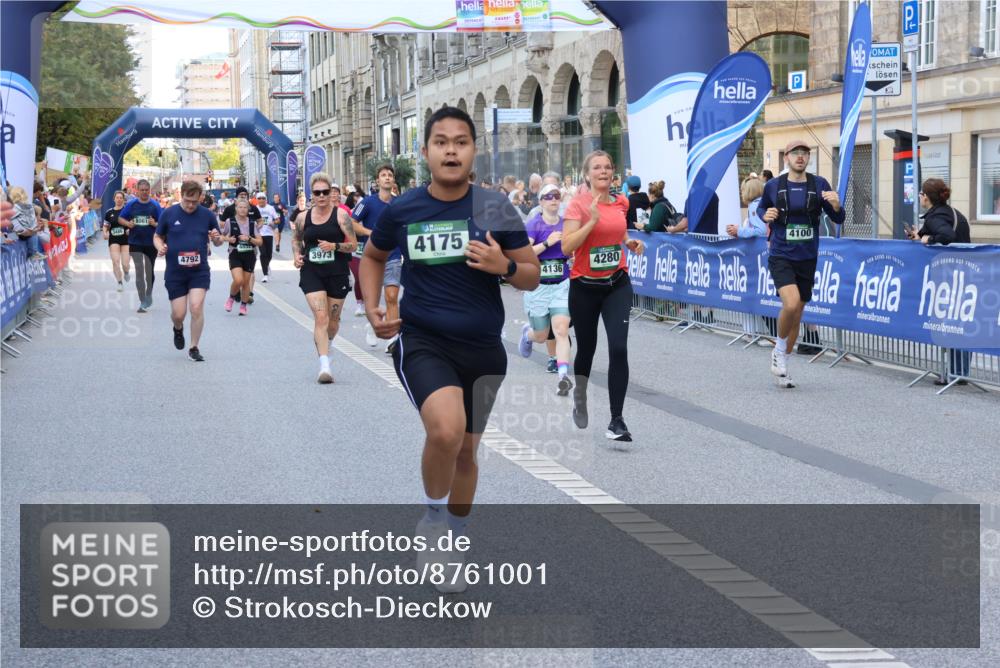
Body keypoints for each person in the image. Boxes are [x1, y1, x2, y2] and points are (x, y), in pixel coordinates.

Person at [360, 106, 539, 592]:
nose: (451, 150)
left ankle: (454, 538)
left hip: (482, 347)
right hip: (423, 340)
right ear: (426, 153)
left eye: (461, 141)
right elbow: (373, 256)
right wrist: (373, 305)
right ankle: (434, 521)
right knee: (446, 431)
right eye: (441, 142)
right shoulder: (404, 210)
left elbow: (531, 274)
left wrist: (503, 264)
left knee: (467, 453)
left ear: (473, 150)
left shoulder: (494, 208)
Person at [561, 150, 645, 442]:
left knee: (619, 348)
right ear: (587, 175)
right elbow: (565, 247)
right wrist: (590, 222)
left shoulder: (621, 202)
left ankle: (616, 420)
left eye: (608, 167)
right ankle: (580, 399)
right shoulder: (578, 205)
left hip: (617, 284)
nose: (604, 171)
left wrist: (628, 242)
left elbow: (618, 232)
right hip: (584, 286)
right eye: (597, 167)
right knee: (587, 350)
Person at [758, 139, 845, 388]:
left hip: (807, 256)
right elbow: (762, 209)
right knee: (791, 302)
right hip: (781, 253)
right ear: (786, 157)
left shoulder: (819, 185)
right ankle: (779, 349)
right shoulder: (774, 186)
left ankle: (782, 362)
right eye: (795, 153)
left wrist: (837, 206)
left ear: (809, 158)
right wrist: (765, 215)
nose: (800, 157)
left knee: (798, 315)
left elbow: (837, 217)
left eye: (805, 153)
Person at [293, 173, 357, 384]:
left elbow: (354, 245)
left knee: (332, 321)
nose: (321, 196)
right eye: (317, 193)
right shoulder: (303, 217)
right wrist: (296, 255)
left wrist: (334, 246)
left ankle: (327, 342)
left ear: (331, 193)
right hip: (312, 272)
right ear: (312, 195)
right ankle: (324, 365)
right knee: (321, 317)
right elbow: (296, 239)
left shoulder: (341, 216)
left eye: (325, 192)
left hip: (337, 272)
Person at [153, 180, 223, 362]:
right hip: (175, 272)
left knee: (196, 307)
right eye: (187, 200)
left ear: (200, 198)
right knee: (179, 314)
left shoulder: (207, 215)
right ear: (180, 195)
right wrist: (160, 247)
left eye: (195, 201)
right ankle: (178, 328)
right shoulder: (169, 214)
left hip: (199, 271)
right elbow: (157, 236)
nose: (191, 205)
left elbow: (218, 241)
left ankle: (194, 347)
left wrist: (216, 238)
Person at [518, 183, 574, 395]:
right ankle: (527, 334)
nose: (553, 199)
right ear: (541, 202)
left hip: (561, 285)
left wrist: (572, 254)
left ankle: (563, 377)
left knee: (560, 330)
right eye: (548, 196)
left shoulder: (566, 225)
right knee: (541, 335)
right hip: (538, 287)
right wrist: (547, 243)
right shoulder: (534, 225)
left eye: (557, 196)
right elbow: (524, 254)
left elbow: (571, 249)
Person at [352, 164, 400, 351]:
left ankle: (392, 340)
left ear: (393, 180)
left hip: (394, 255)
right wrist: (370, 233)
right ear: (377, 180)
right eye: (383, 175)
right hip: (372, 258)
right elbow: (353, 222)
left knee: (391, 296)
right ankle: (374, 326)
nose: (387, 177)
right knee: (373, 299)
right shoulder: (367, 202)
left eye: (390, 175)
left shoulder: (399, 203)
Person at [118, 179, 163, 313]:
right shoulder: (131, 204)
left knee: (149, 271)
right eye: (141, 190)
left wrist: (154, 224)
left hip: (151, 243)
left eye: (146, 190)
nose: (144, 192)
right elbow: (120, 218)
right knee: (139, 271)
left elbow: (163, 224)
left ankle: (149, 293)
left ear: (149, 190)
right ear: (137, 191)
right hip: (135, 242)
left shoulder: (155, 205)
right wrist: (128, 224)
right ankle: (142, 300)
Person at [222, 199, 262, 316]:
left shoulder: (252, 223)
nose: (242, 209)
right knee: (238, 280)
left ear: (248, 209)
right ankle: (231, 298)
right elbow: (221, 236)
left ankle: (243, 306)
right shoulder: (230, 221)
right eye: (240, 207)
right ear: (236, 208)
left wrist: (249, 239)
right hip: (235, 253)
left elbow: (260, 242)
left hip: (249, 255)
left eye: (245, 207)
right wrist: (229, 239)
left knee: (245, 283)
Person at [908, 178, 971, 246]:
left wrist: (929, 239)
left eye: (920, 193)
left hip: (949, 256)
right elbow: (937, 229)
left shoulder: (935, 217)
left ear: (925, 196)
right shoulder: (950, 211)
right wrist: (919, 235)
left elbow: (948, 235)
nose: (919, 196)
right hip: (963, 256)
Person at [102, 190, 131, 290]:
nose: (119, 199)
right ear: (114, 199)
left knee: (125, 264)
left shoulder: (127, 211)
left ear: (123, 199)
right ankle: (119, 282)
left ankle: (126, 272)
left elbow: (133, 224)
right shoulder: (109, 212)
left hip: (126, 240)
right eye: (117, 197)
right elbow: (105, 225)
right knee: (115, 261)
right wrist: (105, 232)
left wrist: (130, 230)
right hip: (113, 239)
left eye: (121, 198)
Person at [255, 192, 278, 282]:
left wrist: (273, 223)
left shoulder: (270, 208)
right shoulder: (255, 209)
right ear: (257, 200)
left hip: (269, 233)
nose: (261, 200)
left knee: (269, 254)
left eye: (263, 198)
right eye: (259, 198)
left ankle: (266, 265)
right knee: (263, 253)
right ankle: (265, 274)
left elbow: (277, 219)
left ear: (266, 199)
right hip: (259, 234)